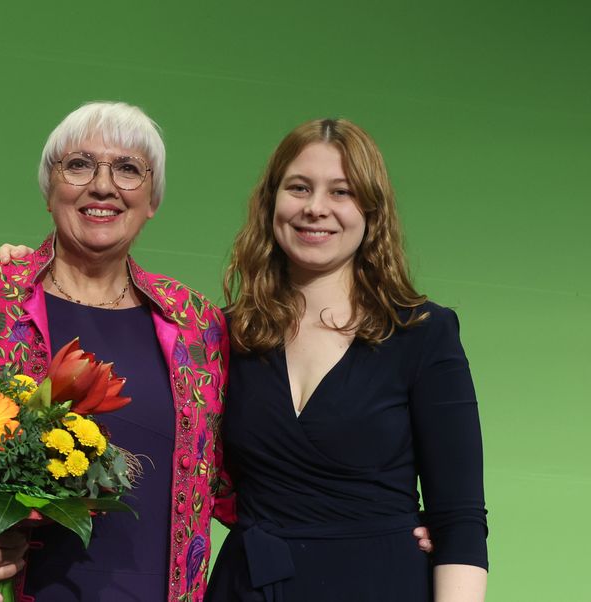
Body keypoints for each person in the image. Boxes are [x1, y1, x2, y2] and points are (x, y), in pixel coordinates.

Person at [0, 101, 233, 601]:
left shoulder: (197, 324)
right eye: (79, 165)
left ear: (152, 200)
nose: (102, 185)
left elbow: (239, 478)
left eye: (128, 169)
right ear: (50, 189)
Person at [205, 118, 488, 601]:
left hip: (380, 584)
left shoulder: (423, 333)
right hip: (248, 586)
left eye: (342, 192)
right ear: (271, 200)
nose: (316, 208)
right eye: (299, 188)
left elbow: (459, 519)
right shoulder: (223, 334)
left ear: (371, 210)